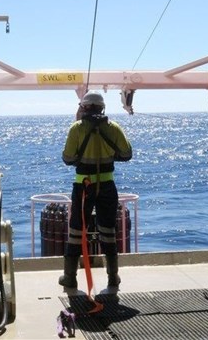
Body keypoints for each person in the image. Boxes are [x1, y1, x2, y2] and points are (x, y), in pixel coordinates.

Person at [60, 91, 132, 289]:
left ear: (84, 107)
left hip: (84, 187)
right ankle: (112, 277)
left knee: (76, 230)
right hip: (108, 187)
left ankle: (70, 277)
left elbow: (67, 158)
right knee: (108, 230)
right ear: (102, 108)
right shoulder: (114, 128)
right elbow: (127, 154)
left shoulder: (76, 129)